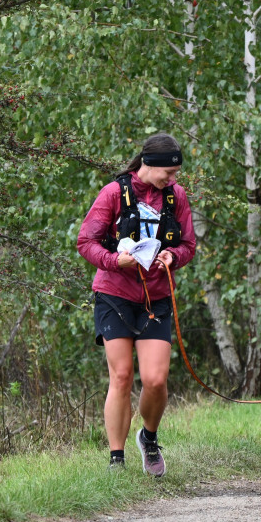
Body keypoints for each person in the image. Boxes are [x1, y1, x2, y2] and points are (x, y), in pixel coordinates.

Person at [76, 133, 197, 475]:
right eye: (169, 173)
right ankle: (117, 459)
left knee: (156, 379)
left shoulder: (177, 197)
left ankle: (149, 438)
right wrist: (117, 261)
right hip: (114, 294)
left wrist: (173, 256)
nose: (173, 179)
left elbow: (188, 244)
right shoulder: (114, 193)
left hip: (155, 298)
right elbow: (86, 242)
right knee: (123, 376)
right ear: (150, 164)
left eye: (175, 174)